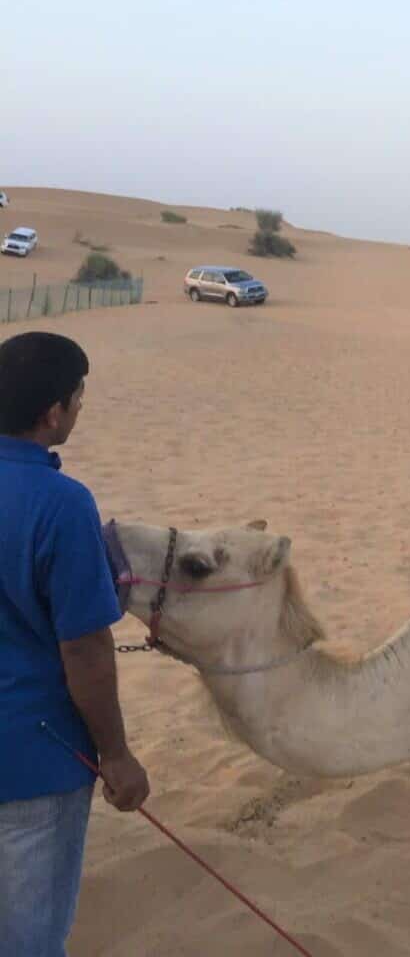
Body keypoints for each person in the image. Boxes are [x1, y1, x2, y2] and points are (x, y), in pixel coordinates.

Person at [0, 331, 150, 957]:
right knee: (31, 939)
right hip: (38, 759)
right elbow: (85, 650)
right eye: (78, 397)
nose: (80, 408)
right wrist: (115, 754)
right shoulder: (62, 505)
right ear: (52, 413)